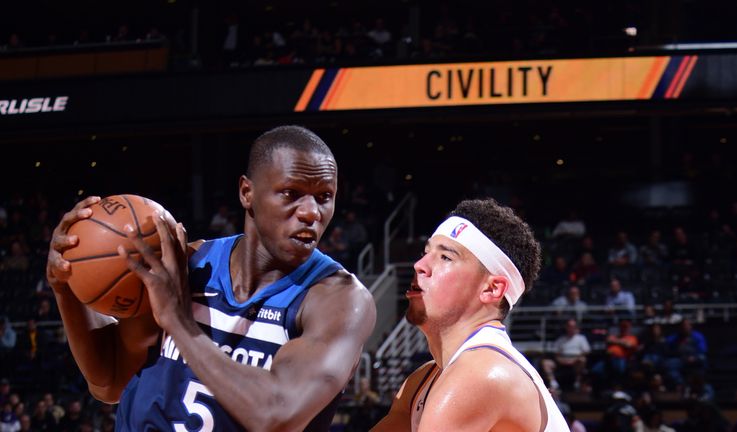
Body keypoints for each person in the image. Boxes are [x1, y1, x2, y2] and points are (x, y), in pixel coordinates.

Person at [46, 125, 376, 431]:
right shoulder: (186, 265)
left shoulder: (339, 301)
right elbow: (111, 380)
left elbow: (278, 416)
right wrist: (65, 286)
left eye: (324, 197)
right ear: (247, 193)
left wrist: (179, 322)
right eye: (291, 193)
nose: (310, 213)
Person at [372, 198, 569, 431]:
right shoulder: (423, 380)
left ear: (491, 289)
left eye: (445, 257)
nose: (420, 265)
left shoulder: (481, 374)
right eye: (426, 252)